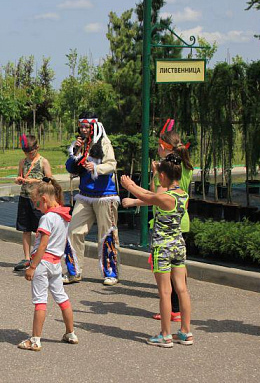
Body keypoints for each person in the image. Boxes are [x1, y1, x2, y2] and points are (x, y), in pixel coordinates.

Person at [122, 121, 193, 321]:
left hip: (167, 226)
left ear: (163, 147)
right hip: (181, 221)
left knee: (166, 276)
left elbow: (156, 196)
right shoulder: (184, 167)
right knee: (179, 272)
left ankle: (171, 313)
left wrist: (135, 191)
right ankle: (181, 317)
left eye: (159, 146)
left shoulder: (166, 171)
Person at [17, 177, 78, 351]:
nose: (36, 208)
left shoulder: (47, 218)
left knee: (40, 301)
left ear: (44, 199)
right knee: (62, 298)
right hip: (56, 264)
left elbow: (43, 244)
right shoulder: (64, 215)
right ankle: (70, 333)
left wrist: (32, 266)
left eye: (37, 204)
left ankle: (35, 339)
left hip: (42, 263)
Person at [65, 112, 120, 286]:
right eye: (81, 126)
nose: (83, 130)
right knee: (73, 231)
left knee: (107, 234)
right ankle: (74, 271)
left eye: (86, 127)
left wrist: (96, 167)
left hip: (105, 195)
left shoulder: (104, 142)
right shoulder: (80, 144)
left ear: (94, 126)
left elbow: (112, 165)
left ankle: (110, 272)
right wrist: (75, 152)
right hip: (85, 195)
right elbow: (70, 167)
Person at [13, 134, 52, 271]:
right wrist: (19, 180)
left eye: (31, 152)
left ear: (37, 148)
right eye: (26, 153)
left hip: (38, 200)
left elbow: (49, 181)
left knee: (40, 229)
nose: (29, 155)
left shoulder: (43, 162)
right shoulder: (22, 162)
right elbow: (21, 176)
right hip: (24, 197)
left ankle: (41, 256)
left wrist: (34, 181)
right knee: (25, 229)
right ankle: (26, 257)